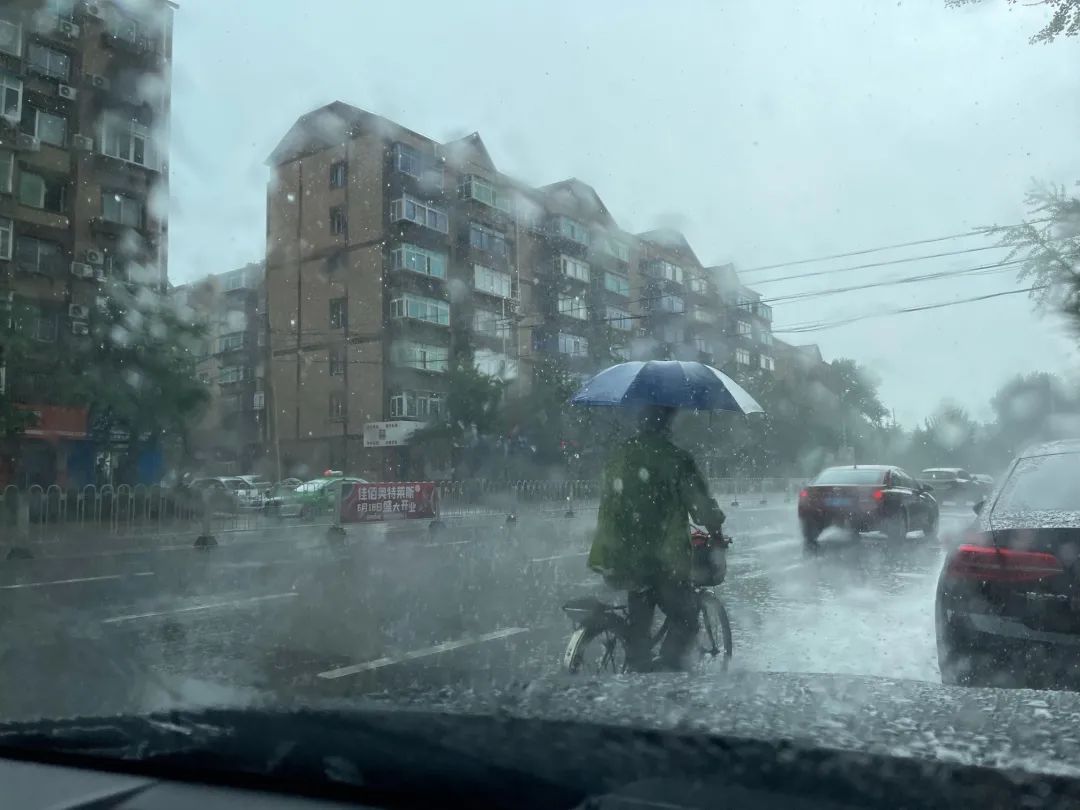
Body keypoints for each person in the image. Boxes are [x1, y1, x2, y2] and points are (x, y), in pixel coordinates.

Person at [587, 404, 727, 671]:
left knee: (639, 625)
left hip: (620, 554)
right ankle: (664, 680)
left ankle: (639, 670)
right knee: (686, 619)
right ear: (667, 426)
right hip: (662, 560)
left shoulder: (621, 456)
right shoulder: (675, 459)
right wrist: (716, 535)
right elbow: (702, 509)